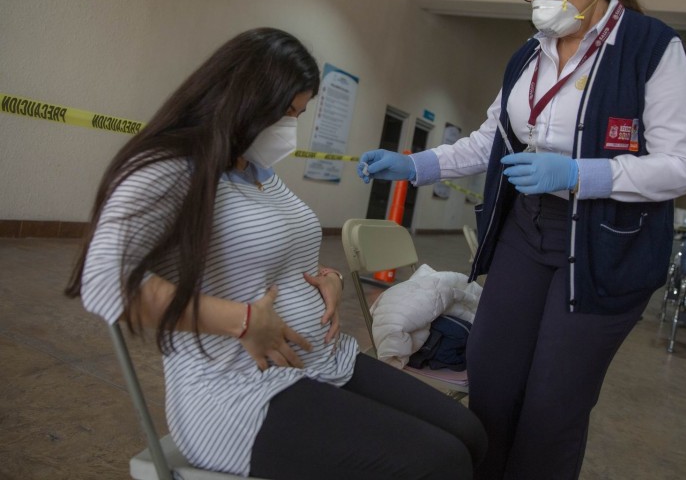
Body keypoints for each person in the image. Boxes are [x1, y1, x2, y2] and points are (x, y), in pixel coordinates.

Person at [357, 0, 686, 480]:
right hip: (526, 230)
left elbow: (683, 167)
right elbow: (493, 139)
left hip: (602, 246)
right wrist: (417, 163)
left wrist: (579, 174)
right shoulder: (531, 52)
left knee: (552, 407)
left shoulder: (651, 47)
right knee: (492, 380)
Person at [65, 28, 486, 479]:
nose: (291, 128)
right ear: (243, 97)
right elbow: (103, 282)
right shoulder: (169, 167)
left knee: (470, 435)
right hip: (238, 390)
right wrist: (244, 321)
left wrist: (328, 279)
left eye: (299, 114)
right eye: (287, 112)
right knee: (441, 462)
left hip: (323, 361)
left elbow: (276, 246)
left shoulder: (256, 169)